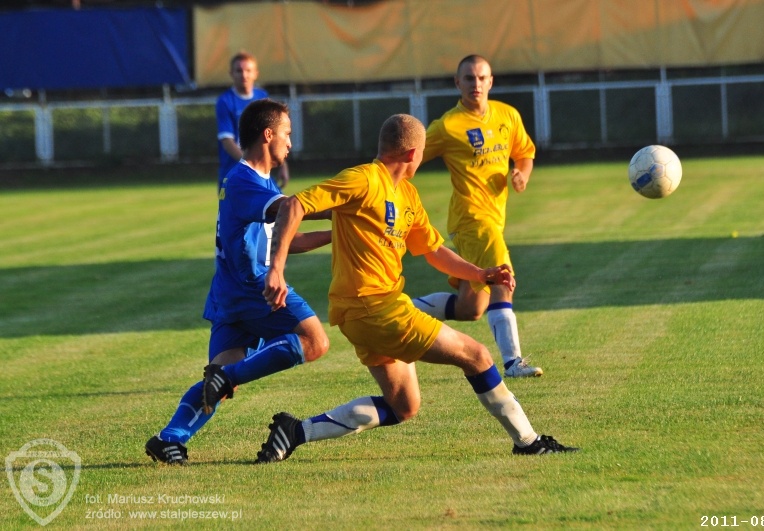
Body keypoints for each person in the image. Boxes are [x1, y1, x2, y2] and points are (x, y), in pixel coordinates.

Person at [257, 114, 577, 463]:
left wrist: (480, 274)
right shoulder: (363, 178)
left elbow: (433, 250)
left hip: (364, 313)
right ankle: (528, 441)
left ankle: (295, 431)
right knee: (477, 356)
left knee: (404, 405)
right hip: (376, 308)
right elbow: (295, 204)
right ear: (413, 154)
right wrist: (277, 269)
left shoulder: (407, 194)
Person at [145, 99, 331, 465]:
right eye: (287, 133)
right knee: (315, 341)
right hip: (252, 287)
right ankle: (226, 378)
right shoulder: (245, 180)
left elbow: (286, 240)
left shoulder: (257, 181)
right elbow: (291, 208)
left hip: (229, 292)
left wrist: (340, 234)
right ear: (268, 135)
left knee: (218, 382)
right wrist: (349, 209)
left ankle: (168, 439)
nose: (290, 142)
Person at [411, 54, 542, 379]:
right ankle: (513, 362)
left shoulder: (507, 115)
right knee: (503, 278)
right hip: (471, 219)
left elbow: (524, 153)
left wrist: (522, 174)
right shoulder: (448, 126)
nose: (476, 84)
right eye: (469, 78)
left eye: (482, 78)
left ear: (491, 81)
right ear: (458, 83)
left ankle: (402, 311)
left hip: (494, 219)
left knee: (471, 308)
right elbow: (411, 157)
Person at [216, 51, 290, 190]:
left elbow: (273, 135)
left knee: (279, 203)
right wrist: (250, 164)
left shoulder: (262, 97)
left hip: (261, 173)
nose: (244, 75)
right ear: (231, 73)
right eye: (239, 71)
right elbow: (227, 142)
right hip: (234, 174)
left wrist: (282, 164)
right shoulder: (225, 101)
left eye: (248, 70)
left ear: (256, 73)